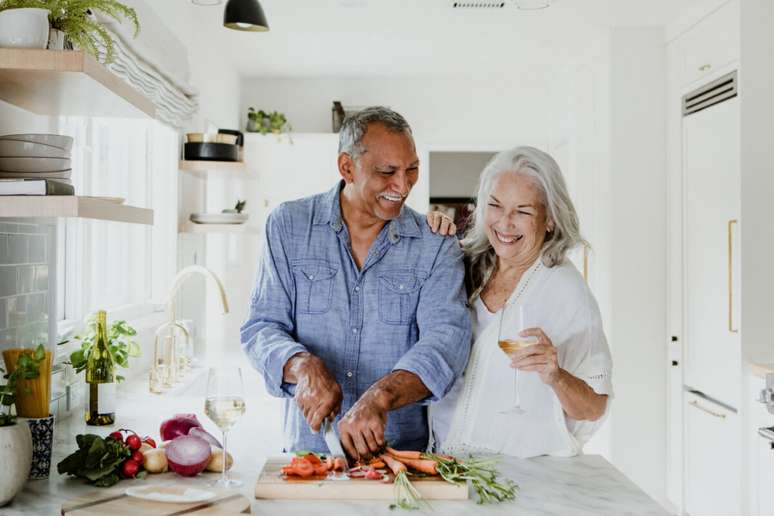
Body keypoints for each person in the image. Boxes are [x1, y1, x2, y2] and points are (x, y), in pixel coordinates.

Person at [241, 106, 472, 460]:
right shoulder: (288, 226)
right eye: (386, 172)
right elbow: (261, 327)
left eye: (412, 170)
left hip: (400, 460)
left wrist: (380, 397)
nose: (403, 185)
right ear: (347, 167)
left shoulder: (436, 244)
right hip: (308, 456)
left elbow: (446, 343)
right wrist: (302, 365)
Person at [427, 146, 612, 458]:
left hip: (519, 475)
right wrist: (428, 234)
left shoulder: (565, 291)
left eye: (523, 212)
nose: (505, 223)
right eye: (495, 206)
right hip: (444, 461)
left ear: (550, 219)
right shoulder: (465, 265)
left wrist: (556, 375)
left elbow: (593, 407)